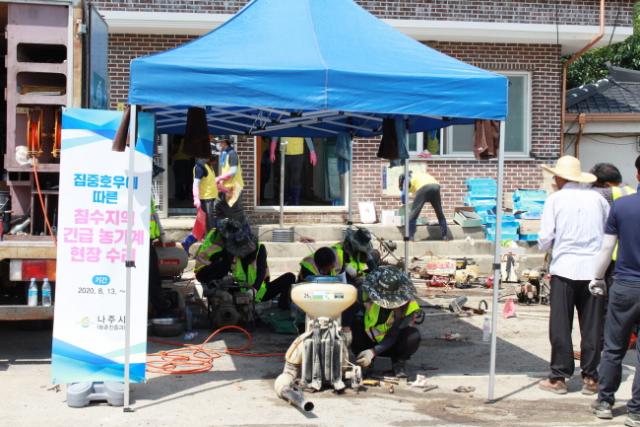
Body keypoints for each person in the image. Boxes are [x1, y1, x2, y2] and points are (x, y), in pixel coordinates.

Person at [537, 155, 609, 395]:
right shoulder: (598, 200)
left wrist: (548, 246)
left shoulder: (555, 200)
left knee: (560, 324)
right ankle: (591, 377)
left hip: (564, 269)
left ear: (560, 178)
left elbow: (545, 238)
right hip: (594, 270)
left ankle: (559, 376)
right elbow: (608, 233)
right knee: (592, 326)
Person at [589, 155, 640, 426]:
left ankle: (605, 402)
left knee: (613, 347)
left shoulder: (622, 206)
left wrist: (597, 278)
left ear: (638, 175)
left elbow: (607, 248)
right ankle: (636, 411)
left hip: (624, 285)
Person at [196, 219, 295, 309]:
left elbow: (261, 273)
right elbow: (217, 261)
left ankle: (283, 307)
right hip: (240, 293)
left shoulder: (260, 249)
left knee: (290, 277)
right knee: (222, 293)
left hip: (261, 292)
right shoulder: (232, 251)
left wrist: (253, 291)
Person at [350, 265, 423, 378]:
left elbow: (393, 335)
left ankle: (398, 363)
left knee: (412, 336)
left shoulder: (408, 306)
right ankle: (364, 361)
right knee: (354, 326)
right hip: (368, 340)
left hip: (392, 345)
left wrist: (372, 352)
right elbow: (351, 312)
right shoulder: (365, 292)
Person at [399, 171, 448, 241]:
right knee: (439, 212)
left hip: (423, 187)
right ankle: (445, 236)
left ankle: (410, 237)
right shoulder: (418, 175)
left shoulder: (407, 178)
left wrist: (404, 203)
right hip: (436, 186)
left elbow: (403, 194)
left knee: (413, 214)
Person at [270, 137, 317, 205]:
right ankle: (284, 200)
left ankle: (295, 201)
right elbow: (275, 137)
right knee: (284, 178)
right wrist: (272, 152)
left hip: (298, 154)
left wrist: (312, 152)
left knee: (296, 179)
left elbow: (307, 136)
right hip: (283, 153)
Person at [214, 136, 246, 223]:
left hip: (234, 188)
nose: (218, 144)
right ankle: (224, 229)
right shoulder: (224, 154)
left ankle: (242, 231)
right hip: (226, 188)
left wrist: (219, 178)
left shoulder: (232, 154)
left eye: (220, 142)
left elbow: (233, 171)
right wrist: (220, 182)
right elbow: (225, 170)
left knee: (235, 214)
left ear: (225, 143)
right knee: (220, 210)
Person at [192, 144, 218, 232]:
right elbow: (195, 184)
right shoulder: (200, 167)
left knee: (210, 220)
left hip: (211, 197)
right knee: (208, 221)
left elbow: (209, 180)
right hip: (206, 199)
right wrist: (196, 199)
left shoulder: (208, 166)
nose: (216, 161)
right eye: (215, 157)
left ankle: (209, 236)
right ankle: (208, 237)